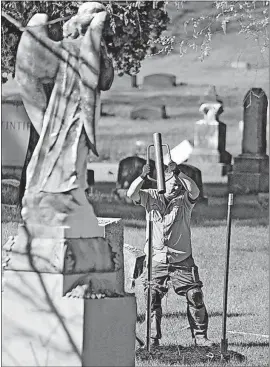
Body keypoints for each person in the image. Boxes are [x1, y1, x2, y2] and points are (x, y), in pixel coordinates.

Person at [127, 160, 214, 347]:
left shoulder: (184, 200)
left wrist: (179, 173)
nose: (175, 187)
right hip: (157, 259)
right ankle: (153, 339)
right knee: (152, 296)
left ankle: (200, 337)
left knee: (195, 295)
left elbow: (195, 192)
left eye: (177, 184)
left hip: (182, 259)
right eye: (171, 183)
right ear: (161, 183)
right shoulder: (150, 197)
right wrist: (142, 176)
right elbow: (131, 193)